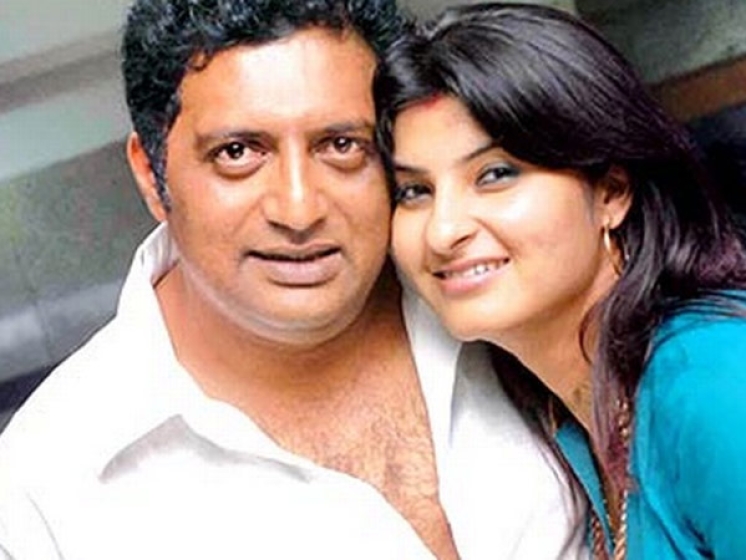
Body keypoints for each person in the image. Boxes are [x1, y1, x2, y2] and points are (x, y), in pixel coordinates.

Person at [0, 1, 588, 559]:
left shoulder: (509, 301)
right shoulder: (42, 489)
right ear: (152, 177)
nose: (299, 209)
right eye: (237, 153)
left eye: (341, 145)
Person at [375, 3, 746, 559]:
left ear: (611, 192)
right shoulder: (569, 418)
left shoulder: (711, 382)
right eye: (414, 191)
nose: (443, 231)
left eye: (495, 175)